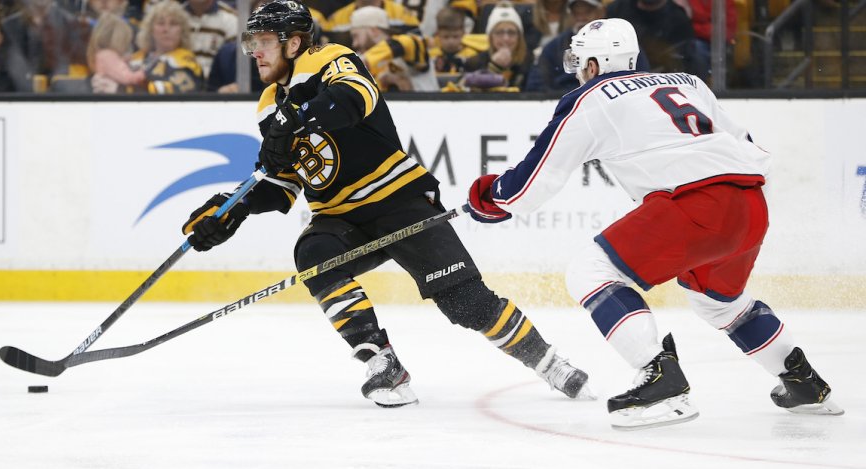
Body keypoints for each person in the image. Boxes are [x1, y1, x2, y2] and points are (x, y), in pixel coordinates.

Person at [181, 0, 594, 408]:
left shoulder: (331, 59)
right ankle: (381, 360)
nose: (254, 51)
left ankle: (548, 361)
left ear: (294, 43)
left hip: (399, 201)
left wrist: (299, 116)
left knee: (467, 304)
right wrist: (229, 209)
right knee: (313, 251)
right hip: (339, 217)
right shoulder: (269, 103)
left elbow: (355, 97)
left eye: (265, 40)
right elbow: (281, 179)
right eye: (251, 41)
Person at [465, 18, 844, 429]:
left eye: (580, 60)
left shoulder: (590, 98)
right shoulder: (688, 82)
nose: (577, 70)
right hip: (751, 202)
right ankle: (803, 381)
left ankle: (660, 378)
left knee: (589, 271)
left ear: (594, 64)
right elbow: (748, 145)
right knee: (718, 301)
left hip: (696, 204)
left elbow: (531, 185)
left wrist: (491, 197)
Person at [93, 0, 202, 93]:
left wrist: (122, 90)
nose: (166, 29)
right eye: (160, 23)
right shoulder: (135, 57)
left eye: (173, 24)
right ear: (151, 30)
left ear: (182, 31)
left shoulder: (187, 61)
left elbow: (176, 91)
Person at [349, 6, 437, 92]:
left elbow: (406, 43)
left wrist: (369, 59)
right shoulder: (359, 59)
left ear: (374, 31)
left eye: (356, 36)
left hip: (432, 104)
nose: (354, 43)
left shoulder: (408, 44)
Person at [524, 0, 604, 93]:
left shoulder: (615, 43)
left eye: (587, 12)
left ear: (601, 12)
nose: (581, 18)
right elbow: (536, 86)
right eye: (576, 13)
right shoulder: (554, 47)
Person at [463, 1, 531, 91]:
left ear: (519, 37)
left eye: (511, 32)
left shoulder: (530, 61)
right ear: (490, 37)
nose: (506, 38)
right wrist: (494, 68)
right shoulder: (474, 62)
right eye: (499, 32)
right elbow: (468, 91)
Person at [183, 0, 238, 80]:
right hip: (179, 83)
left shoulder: (231, 18)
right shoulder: (173, 16)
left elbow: (234, 63)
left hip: (218, 86)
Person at [86, 12, 145, 87]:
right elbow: (127, 78)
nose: (126, 45)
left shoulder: (103, 54)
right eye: (125, 40)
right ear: (117, 39)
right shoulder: (107, 56)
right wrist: (143, 72)